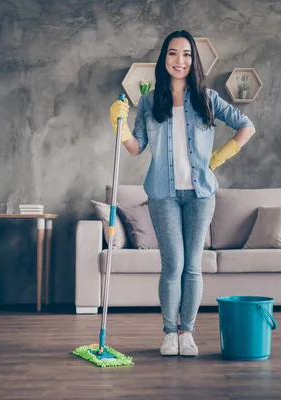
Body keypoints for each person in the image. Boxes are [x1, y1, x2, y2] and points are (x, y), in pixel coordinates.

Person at [109, 30, 256, 357]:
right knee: (172, 264)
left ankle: (186, 332)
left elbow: (247, 125)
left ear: (194, 59)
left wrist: (220, 156)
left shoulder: (208, 98)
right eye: (173, 53)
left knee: (192, 266)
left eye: (187, 54)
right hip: (163, 194)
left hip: (201, 195)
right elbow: (136, 148)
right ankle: (168, 332)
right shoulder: (148, 103)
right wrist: (119, 128)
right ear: (164, 59)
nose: (180, 60)